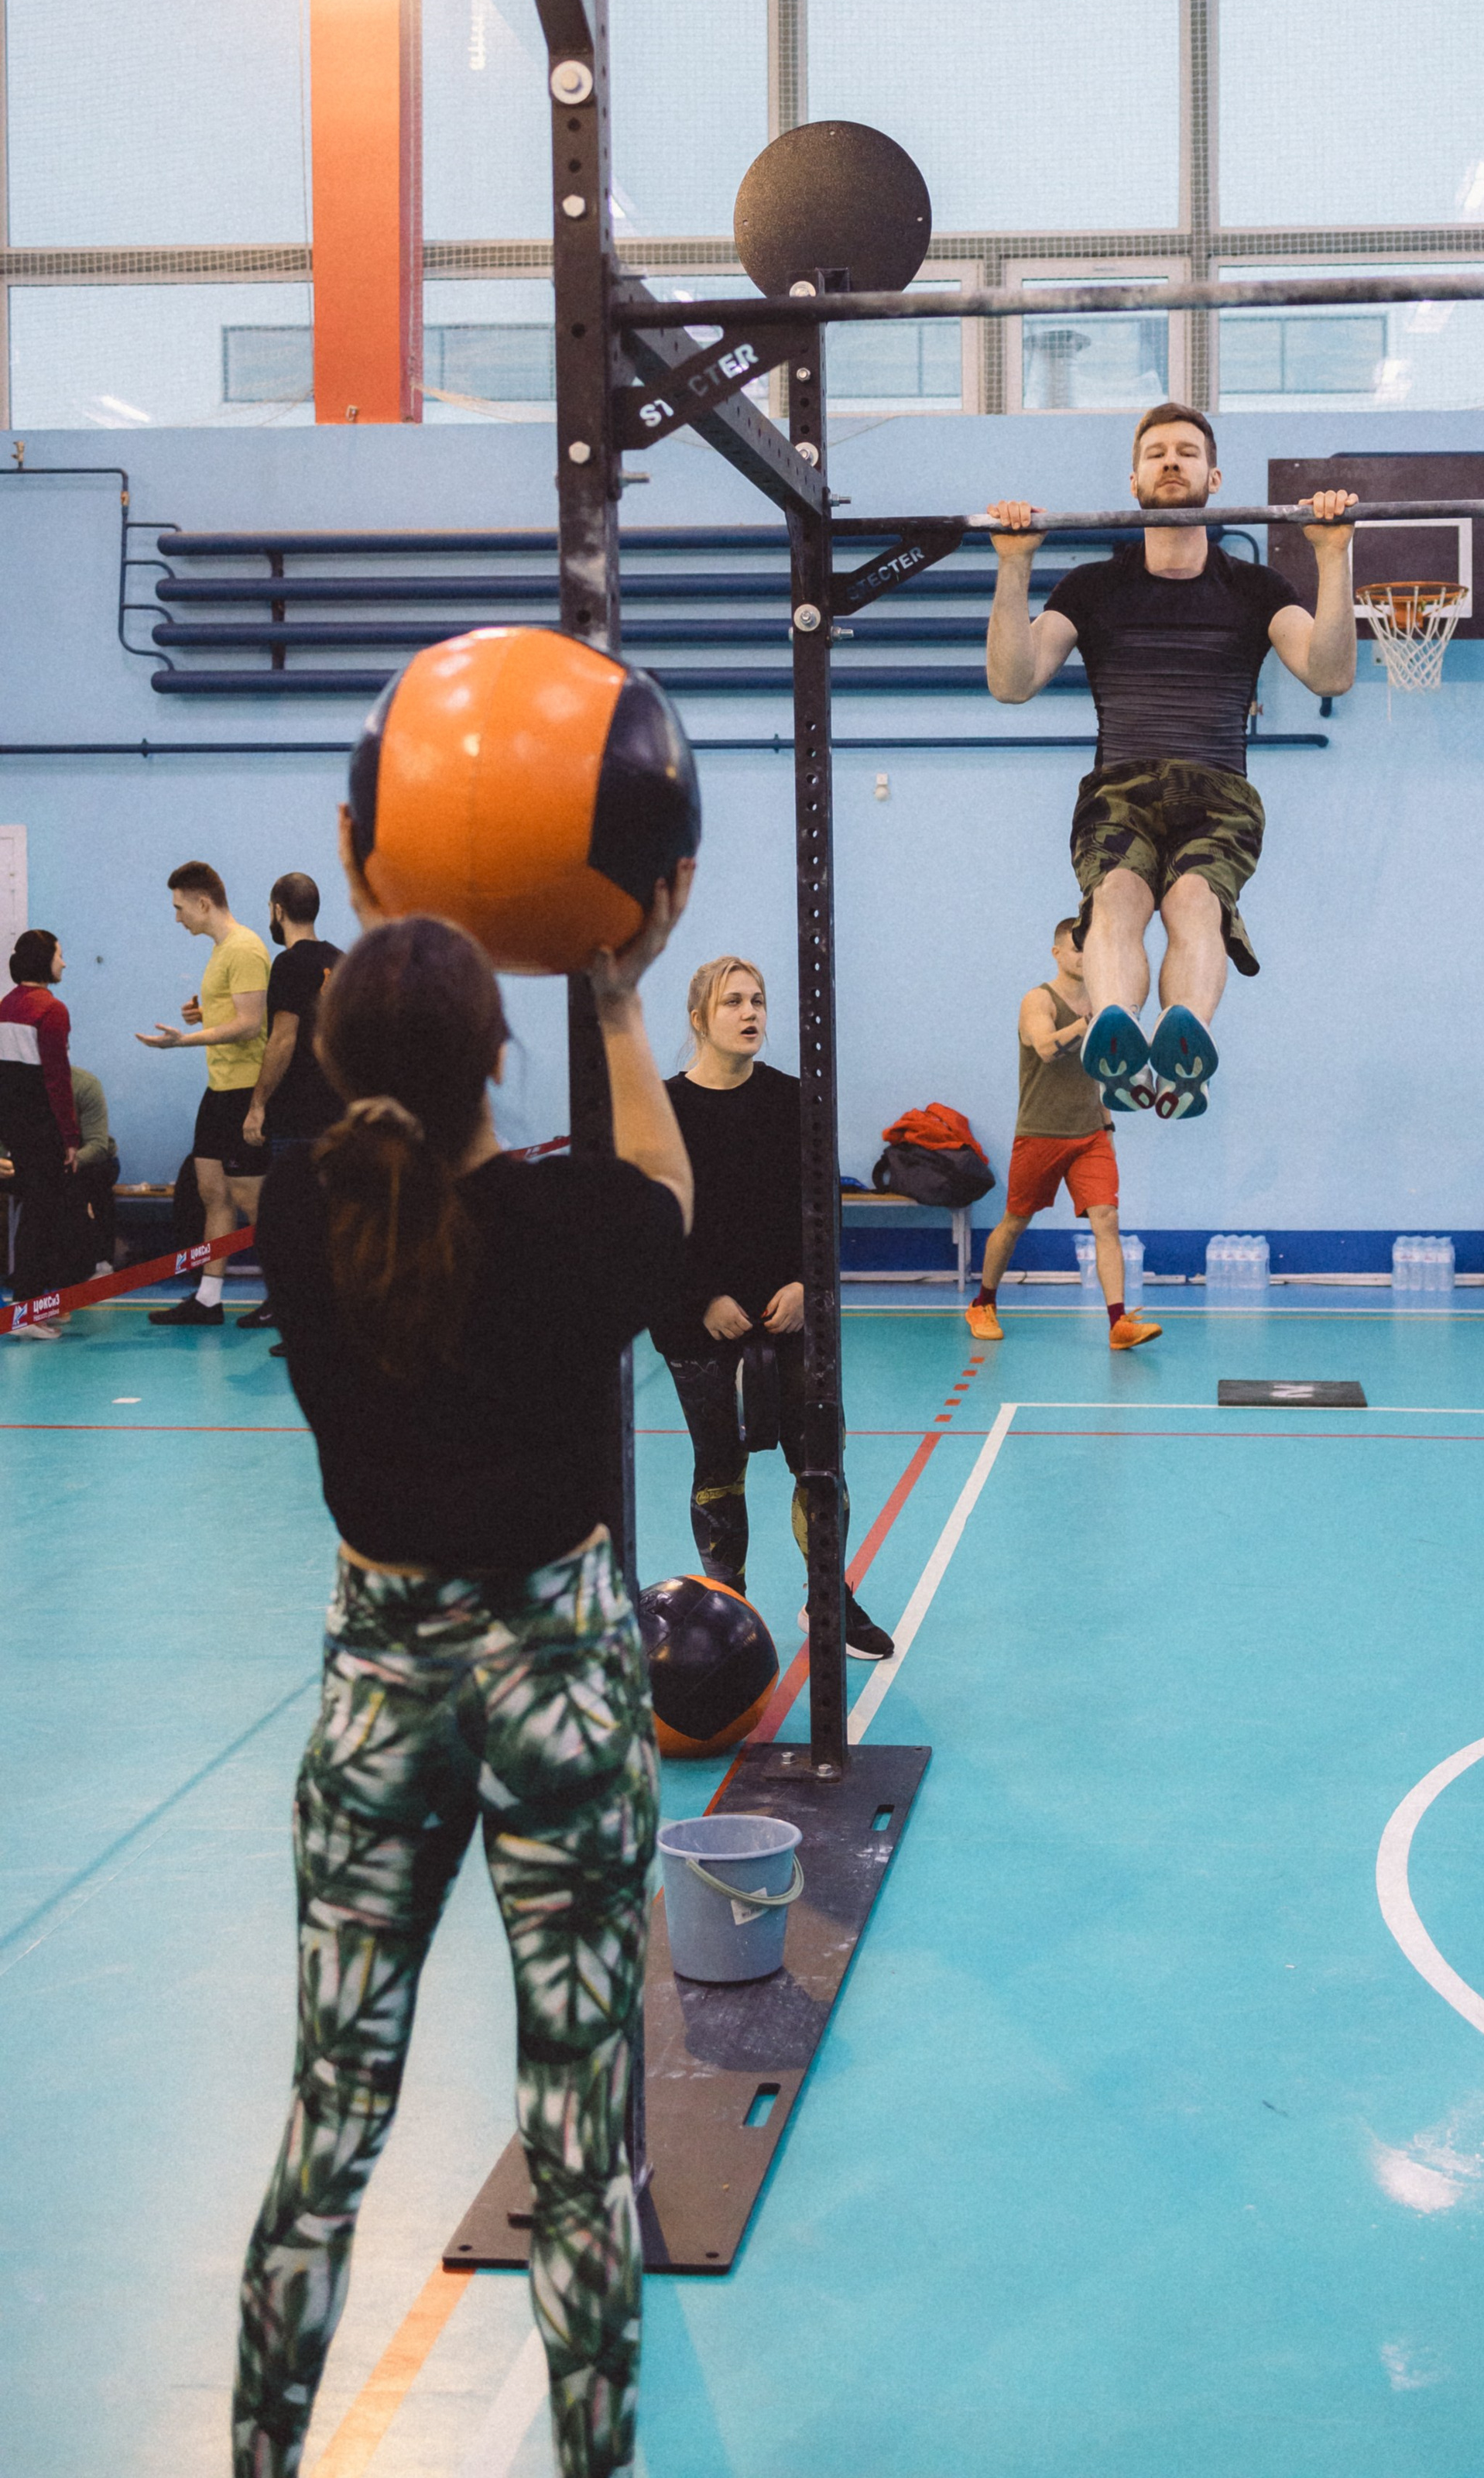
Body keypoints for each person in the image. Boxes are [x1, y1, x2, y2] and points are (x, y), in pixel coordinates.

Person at [233, 825, 697, 2478]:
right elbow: (667, 1196)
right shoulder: (573, 1228)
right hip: (556, 1687)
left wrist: (388, 930)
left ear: (344, 1053)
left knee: (328, 2126)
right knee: (577, 2150)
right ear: (506, 1052)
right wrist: (624, 1003)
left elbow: (374, 1088)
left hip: (378, 1691)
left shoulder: (299, 1213)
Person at [985, 405, 1357, 1119]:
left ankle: (1187, 1054)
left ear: (1213, 478)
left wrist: (1332, 557)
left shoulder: (1255, 588)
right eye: (1156, 452)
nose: (1171, 461)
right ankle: (1117, 1029)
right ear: (1134, 480)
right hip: (1119, 788)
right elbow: (1012, 683)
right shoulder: (1092, 586)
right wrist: (1015, 567)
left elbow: (1330, 675)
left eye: (1187, 452)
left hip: (1219, 791)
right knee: (1120, 894)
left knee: (1194, 902)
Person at [657, 955, 895, 1660]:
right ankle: (725, 1604)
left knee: (818, 1460)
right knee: (718, 1465)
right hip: (698, 1321)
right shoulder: (665, 1108)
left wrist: (805, 1284)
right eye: (733, 1002)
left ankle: (831, 1597)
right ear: (700, 1017)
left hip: (792, 1313)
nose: (751, 1013)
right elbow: (654, 1219)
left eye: (758, 1000)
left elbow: (822, 1205)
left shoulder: (796, 1099)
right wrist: (702, 1300)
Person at [968, 917, 1160, 1351]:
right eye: (1077, 950)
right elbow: (1045, 1048)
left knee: (1107, 1220)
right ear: (1058, 954)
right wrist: (1084, 1024)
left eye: (1090, 949)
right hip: (1039, 1133)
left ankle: (1118, 1323)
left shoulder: (1102, 1002)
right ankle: (983, 1302)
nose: (1085, 957)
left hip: (1090, 1134)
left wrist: (1107, 1124)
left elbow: (1103, 1072)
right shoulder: (1038, 1000)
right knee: (1014, 1223)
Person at [135, 860, 270, 1325]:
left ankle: (287, 1297)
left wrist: (183, 1041)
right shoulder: (219, 950)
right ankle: (209, 1298)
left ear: (203, 903)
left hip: (244, 1090)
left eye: (179, 908)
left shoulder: (246, 948)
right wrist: (204, 1014)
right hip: (218, 1089)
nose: (177, 918)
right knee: (211, 1192)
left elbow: (251, 1025)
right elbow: (233, 1012)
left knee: (253, 1200)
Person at [238, 870, 343, 1332]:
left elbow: (283, 1040)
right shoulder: (340, 961)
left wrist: (258, 1103)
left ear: (278, 910)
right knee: (332, 1220)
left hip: (298, 1114)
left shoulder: (288, 964)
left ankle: (304, 1322)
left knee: (296, 1223)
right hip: (338, 1111)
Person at [0, 928, 81, 1340]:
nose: (64, 962)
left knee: (38, 1213)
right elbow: (57, 1080)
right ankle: (26, 1309)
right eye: (59, 955)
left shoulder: (4, 1007)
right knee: (41, 1217)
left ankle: (37, 1303)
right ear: (43, 960)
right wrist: (70, 1138)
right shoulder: (51, 1010)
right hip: (44, 1130)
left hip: (15, 1130)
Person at [65, 1063, 119, 1277]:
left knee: (94, 1176)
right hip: (37, 1162)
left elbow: (98, 1146)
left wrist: (59, 1164)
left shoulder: (85, 1085)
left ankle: (102, 1260)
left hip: (88, 1160)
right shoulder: (15, 1084)